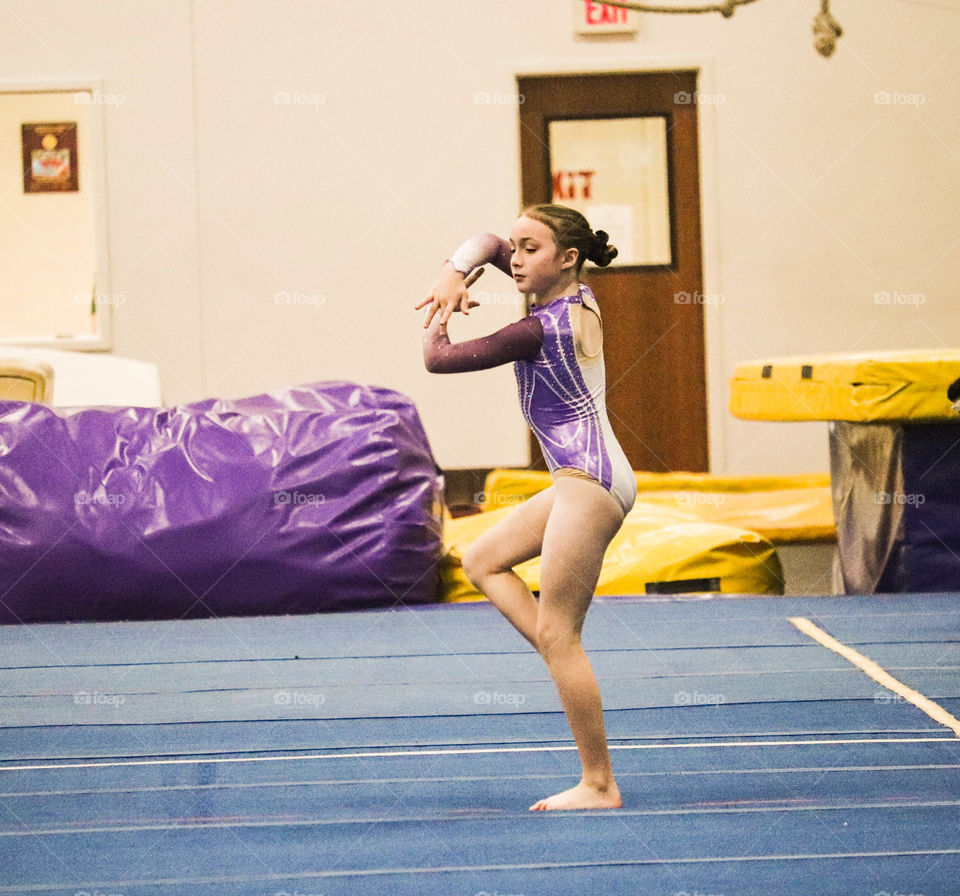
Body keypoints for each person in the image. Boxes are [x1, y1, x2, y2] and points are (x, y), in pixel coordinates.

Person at [416, 204, 636, 811]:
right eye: (515, 247)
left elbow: (437, 359)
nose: (513, 258)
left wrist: (440, 307)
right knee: (483, 560)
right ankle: (560, 654)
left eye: (530, 249)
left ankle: (599, 784)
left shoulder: (544, 328)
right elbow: (486, 239)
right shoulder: (574, 296)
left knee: (561, 632)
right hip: (581, 478)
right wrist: (454, 270)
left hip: (589, 480)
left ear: (567, 259)